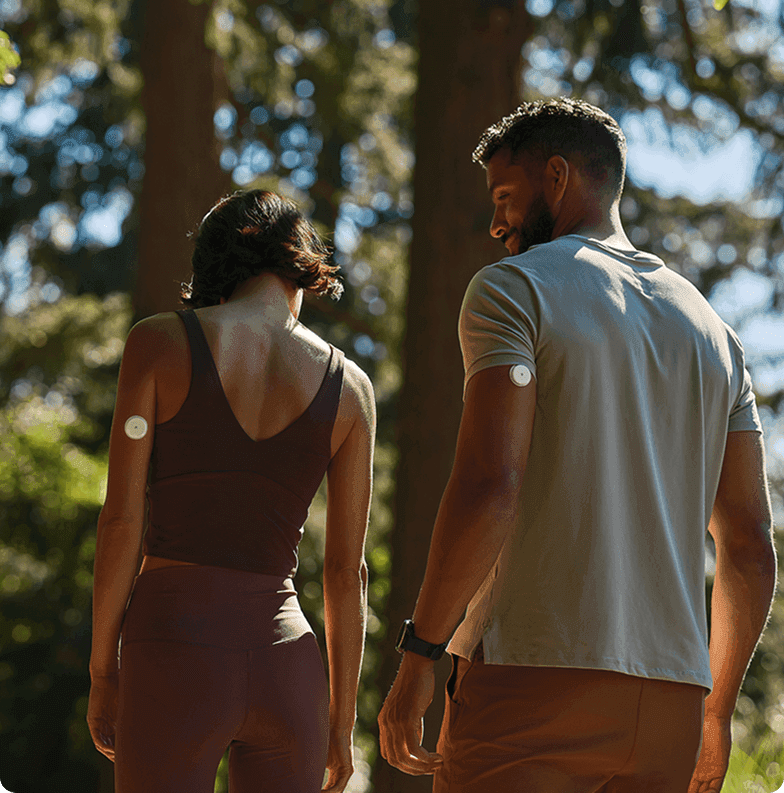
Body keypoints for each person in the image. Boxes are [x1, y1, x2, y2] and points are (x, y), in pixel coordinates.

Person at [378, 97, 777, 793]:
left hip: (532, 679)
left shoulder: (514, 290)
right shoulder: (714, 333)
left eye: (505, 195)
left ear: (557, 177)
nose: (498, 222)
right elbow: (747, 543)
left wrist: (420, 655)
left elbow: (490, 485)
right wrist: (714, 713)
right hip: (671, 704)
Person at [87, 189, 375, 793]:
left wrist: (102, 671)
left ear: (213, 267)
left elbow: (121, 520)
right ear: (299, 260)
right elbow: (348, 572)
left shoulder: (158, 342)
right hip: (287, 664)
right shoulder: (352, 387)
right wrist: (341, 720)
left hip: (175, 645)